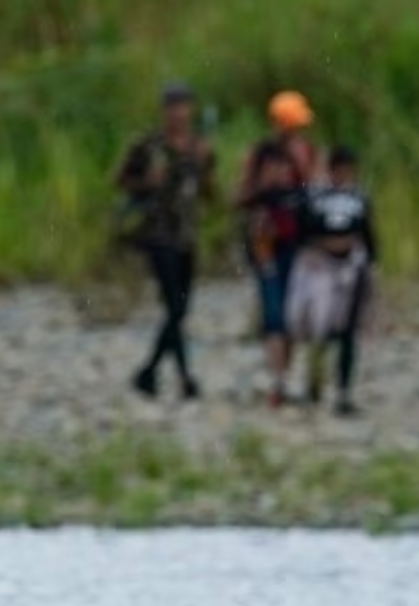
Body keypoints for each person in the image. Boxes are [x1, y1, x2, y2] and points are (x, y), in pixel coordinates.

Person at [114, 82, 215, 401]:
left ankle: (149, 371)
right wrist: (147, 182)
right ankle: (184, 377)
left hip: (186, 233)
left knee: (181, 309)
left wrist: (204, 166)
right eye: (173, 107)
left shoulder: (198, 146)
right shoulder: (148, 145)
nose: (178, 113)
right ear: (164, 111)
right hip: (157, 233)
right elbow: (120, 181)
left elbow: (210, 193)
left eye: (183, 106)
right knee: (173, 305)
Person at [292, 146, 378, 417]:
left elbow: (369, 234)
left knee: (348, 331)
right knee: (320, 325)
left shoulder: (359, 198)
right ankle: (314, 379)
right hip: (321, 267)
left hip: (351, 266)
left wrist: (371, 265)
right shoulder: (315, 198)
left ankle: (343, 391)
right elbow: (303, 232)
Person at [239, 142, 307, 408]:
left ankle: (283, 375)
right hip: (267, 260)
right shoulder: (256, 198)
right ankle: (277, 380)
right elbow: (237, 204)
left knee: (291, 321)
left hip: (295, 261)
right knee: (274, 320)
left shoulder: (298, 196)